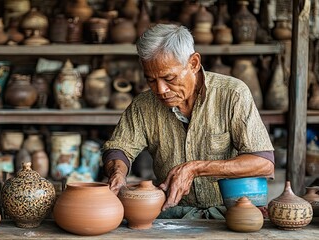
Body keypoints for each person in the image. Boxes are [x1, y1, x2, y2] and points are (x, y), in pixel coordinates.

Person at [101, 24, 275, 219]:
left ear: (193, 63)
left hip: (230, 215)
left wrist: (195, 168)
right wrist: (117, 173)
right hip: (172, 215)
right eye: (151, 80)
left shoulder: (232, 94)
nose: (160, 89)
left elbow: (264, 163)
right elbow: (119, 148)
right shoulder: (144, 104)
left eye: (169, 78)